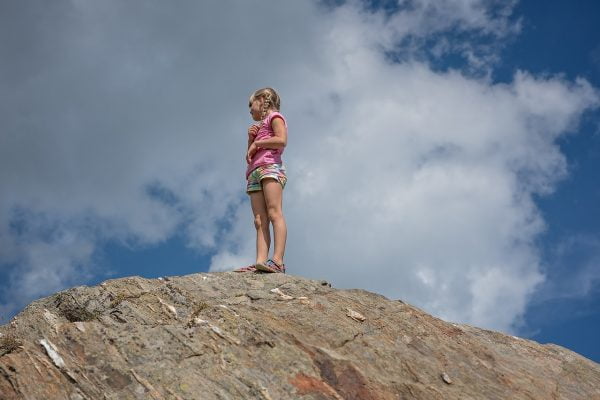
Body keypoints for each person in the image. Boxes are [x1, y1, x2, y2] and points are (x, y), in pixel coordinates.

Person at [235, 88, 288, 273]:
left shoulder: (276, 117)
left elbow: (281, 140)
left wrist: (258, 143)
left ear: (263, 99)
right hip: (254, 171)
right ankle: (261, 262)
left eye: (252, 104)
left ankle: (278, 261)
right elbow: (249, 156)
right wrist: (251, 139)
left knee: (274, 212)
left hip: (270, 167)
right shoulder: (258, 128)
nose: (250, 110)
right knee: (259, 220)